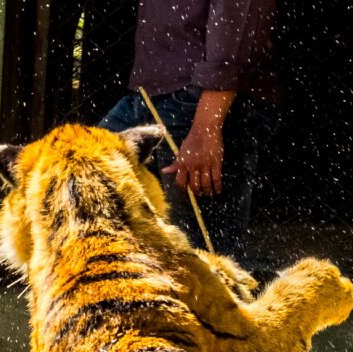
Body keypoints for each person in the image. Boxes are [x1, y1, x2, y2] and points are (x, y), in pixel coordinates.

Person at [99, 0, 281, 262]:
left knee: (203, 263)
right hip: (147, 95)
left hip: (202, 102)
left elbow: (238, 18)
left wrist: (207, 125)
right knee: (78, 179)